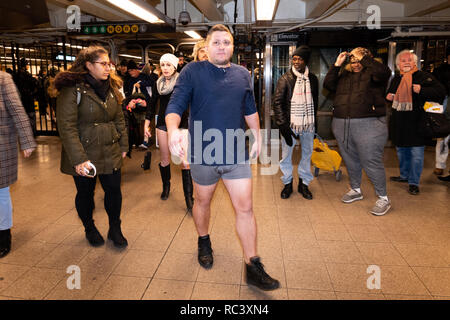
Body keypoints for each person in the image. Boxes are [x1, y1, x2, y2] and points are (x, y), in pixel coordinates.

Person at [166, 24, 279, 291]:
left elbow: (249, 107)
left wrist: (258, 135)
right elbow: (176, 104)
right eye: (216, 43)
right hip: (203, 152)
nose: (221, 47)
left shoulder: (242, 74)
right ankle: (203, 239)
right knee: (202, 202)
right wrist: (172, 130)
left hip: (235, 151)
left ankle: (253, 265)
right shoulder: (193, 72)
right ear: (206, 47)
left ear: (232, 47)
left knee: (246, 208)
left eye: (226, 43)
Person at [54, 45, 129, 248]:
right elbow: (66, 126)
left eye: (109, 64)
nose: (108, 68)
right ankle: (89, 227)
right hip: (84, 152)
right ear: (88, 65)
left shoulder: (112, 88)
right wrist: (78, 159)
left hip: (110, 149)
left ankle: (115, 228)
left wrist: (123, 144)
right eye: (103, 64)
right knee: (85, 193)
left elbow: (119, 119)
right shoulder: (72, 90)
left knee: (114, 191)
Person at [323, 47, 392, 215]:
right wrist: (337, 65)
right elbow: (328, 85)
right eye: (352, 60)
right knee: (350, 159)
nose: (355, 64)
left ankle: (383, 198)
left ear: (367, 59)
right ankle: (355, 189)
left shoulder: (375, 75)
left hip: (369, 124)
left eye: (358, 60)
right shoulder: (344, 76)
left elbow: (385, 73)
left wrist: (364, 58)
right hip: (342, 123)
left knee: (370, 160)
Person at [387, 49, 446, 195]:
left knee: (417, 155)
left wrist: (422, 90)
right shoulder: (396, 79)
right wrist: (388, 96)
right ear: (398, 64)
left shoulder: (424, 77)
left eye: (409, 60)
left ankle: (413, 182)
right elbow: (390, 95)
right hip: (400, 122)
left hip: (418, 123)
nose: (406, 63)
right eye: (403, 61)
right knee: (402, 153)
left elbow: (441, 92)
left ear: (414, 62)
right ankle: (404, 176)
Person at [143, 53, 193, 212]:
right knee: (165, 159)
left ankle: (189, 198)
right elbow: (152, 104)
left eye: (168, 65)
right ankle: (166, 186)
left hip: (182, 124)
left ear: (175, 67)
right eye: (162, 65)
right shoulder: (158, 84)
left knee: (185, 162)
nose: (165, 68)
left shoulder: (182, 82)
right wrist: (147, 123)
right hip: (163, 124)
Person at [273, 45, 319, 200]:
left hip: (308, 124)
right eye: (294, 58)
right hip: (290, 124)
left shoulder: (312, 79)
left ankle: (303, 184)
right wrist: (283, 126)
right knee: (286, 155)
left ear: (306, 61)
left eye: (300, 59)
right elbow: (278, 103)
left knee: (307, 154)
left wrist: (314, 124)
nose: (296, 61)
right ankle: (287, 183)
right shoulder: (285, 79)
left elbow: (315, 102)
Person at [0, 71, 36, 258]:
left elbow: (16, 108)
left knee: (1, 192)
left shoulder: (3, 78)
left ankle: (3, 234)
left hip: (1, 144)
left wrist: (27, 141)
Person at [124, 60, 155, 150]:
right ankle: (137, 141)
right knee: (135, 123)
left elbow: (153, 83)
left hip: (146, 104)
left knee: (146, 122)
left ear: (136, 69)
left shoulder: (145, 76)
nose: (130, 73)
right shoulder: (129, 80)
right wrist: (130, 102)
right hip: (135, 106)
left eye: (132, 70)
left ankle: (146, 141)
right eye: (129, 71)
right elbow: (128, 93)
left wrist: (141, 84)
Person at [432, 47, 450, 177]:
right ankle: (440, 165)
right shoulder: (440, 71)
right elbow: (434, 89)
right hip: (443, 105)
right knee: (443, 137)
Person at [13, 58, 38, 136]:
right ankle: (32, 133)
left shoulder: (15, 75)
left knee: (21, 117)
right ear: (24, 65)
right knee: (31, 116)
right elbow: (34, 84)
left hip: (19, 98)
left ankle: (23, 133)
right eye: (27, 64)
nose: (28, 66)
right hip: (28, 98)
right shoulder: (27, 75)